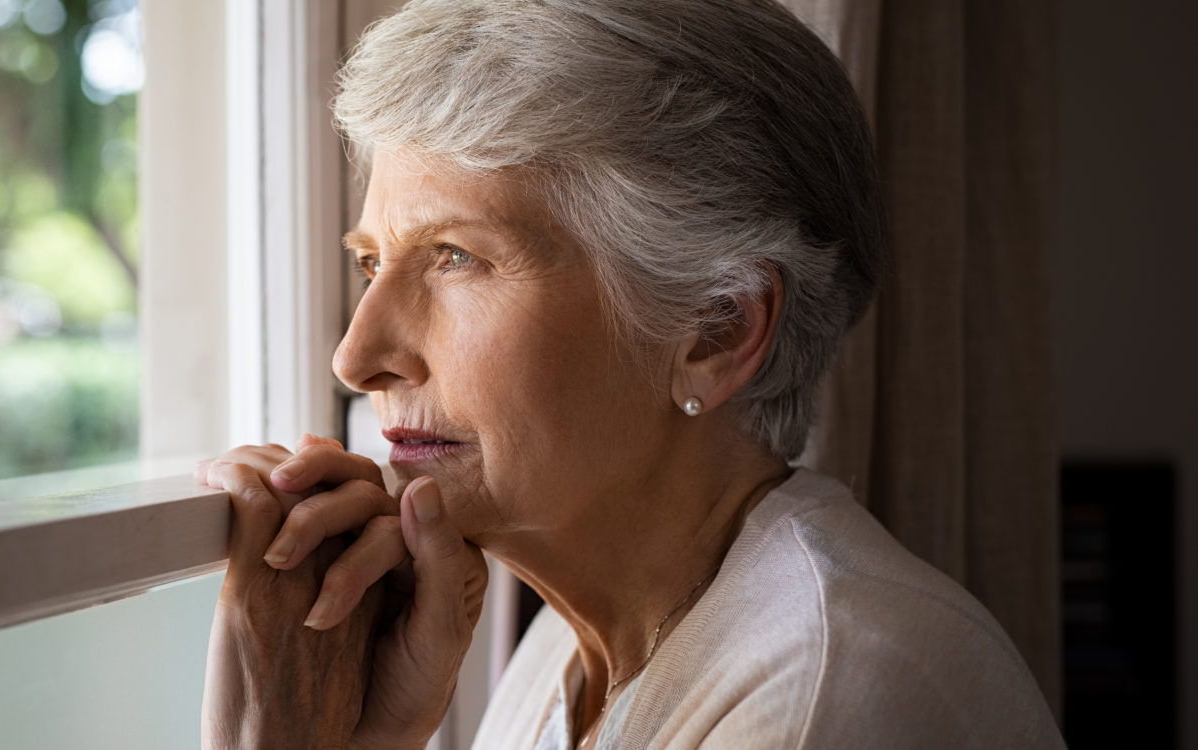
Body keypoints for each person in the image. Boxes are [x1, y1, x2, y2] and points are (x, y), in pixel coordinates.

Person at [196, 0, 1065, 747]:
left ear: (715, 330)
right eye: (370, 262)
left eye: (455, 256)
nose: (355, 357)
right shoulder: (564, 656)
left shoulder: (825, 696)